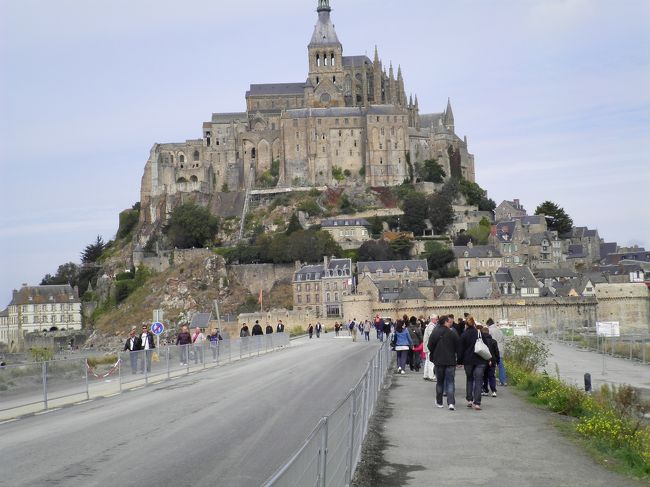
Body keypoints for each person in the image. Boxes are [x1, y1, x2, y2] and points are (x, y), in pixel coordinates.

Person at [428, 315, 460, 410]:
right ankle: (451, 403)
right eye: (449, 322)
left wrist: (435, 352)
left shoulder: (435, 332)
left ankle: (439, 402)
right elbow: (458, 346)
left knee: (440, 382)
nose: (450, 324)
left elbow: (430, 345)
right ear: (445, 322)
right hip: (450, 361)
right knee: (450, 382)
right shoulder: (452, 333)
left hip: (439, 360)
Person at [459, 317, 490, 410]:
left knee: (469, 379)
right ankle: (477, 403)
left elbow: (461, 350)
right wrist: (489, 358)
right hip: (480, 360)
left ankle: (469, 400)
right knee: (478, 381)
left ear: (466, 325)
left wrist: (459, 361)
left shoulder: (464, 334)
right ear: (474, 324)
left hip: (468, 360)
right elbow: (486, 345)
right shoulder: (479, 333)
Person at [487, 318, 507, 386]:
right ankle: (503, 381)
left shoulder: (490, 330)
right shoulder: (499, 330)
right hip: (500, 349)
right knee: (501, 366)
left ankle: (491, 381)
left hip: (493, 350)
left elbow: (489, 341)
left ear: (488, 324)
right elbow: (503, 339)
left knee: (491, 366)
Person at [482, 326, 500, 397]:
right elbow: (496, 352)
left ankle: (486, 390)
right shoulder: (493, 341)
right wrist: (497, 361)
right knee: (492, 376)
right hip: (492, 361)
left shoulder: (481, 341)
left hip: (483, 361)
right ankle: (493, 391)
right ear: (488, 333)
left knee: (484, 376)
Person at [422, 316, 437, 381]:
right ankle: (431, 376)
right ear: (433, 319)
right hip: (429, 346)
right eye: (436, 319)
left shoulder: (429, 326)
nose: (437, 320)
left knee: (427, 361)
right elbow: (432, 336)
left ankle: (426, 375)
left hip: (427, 346)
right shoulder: (431, 326)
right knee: (431, 361)